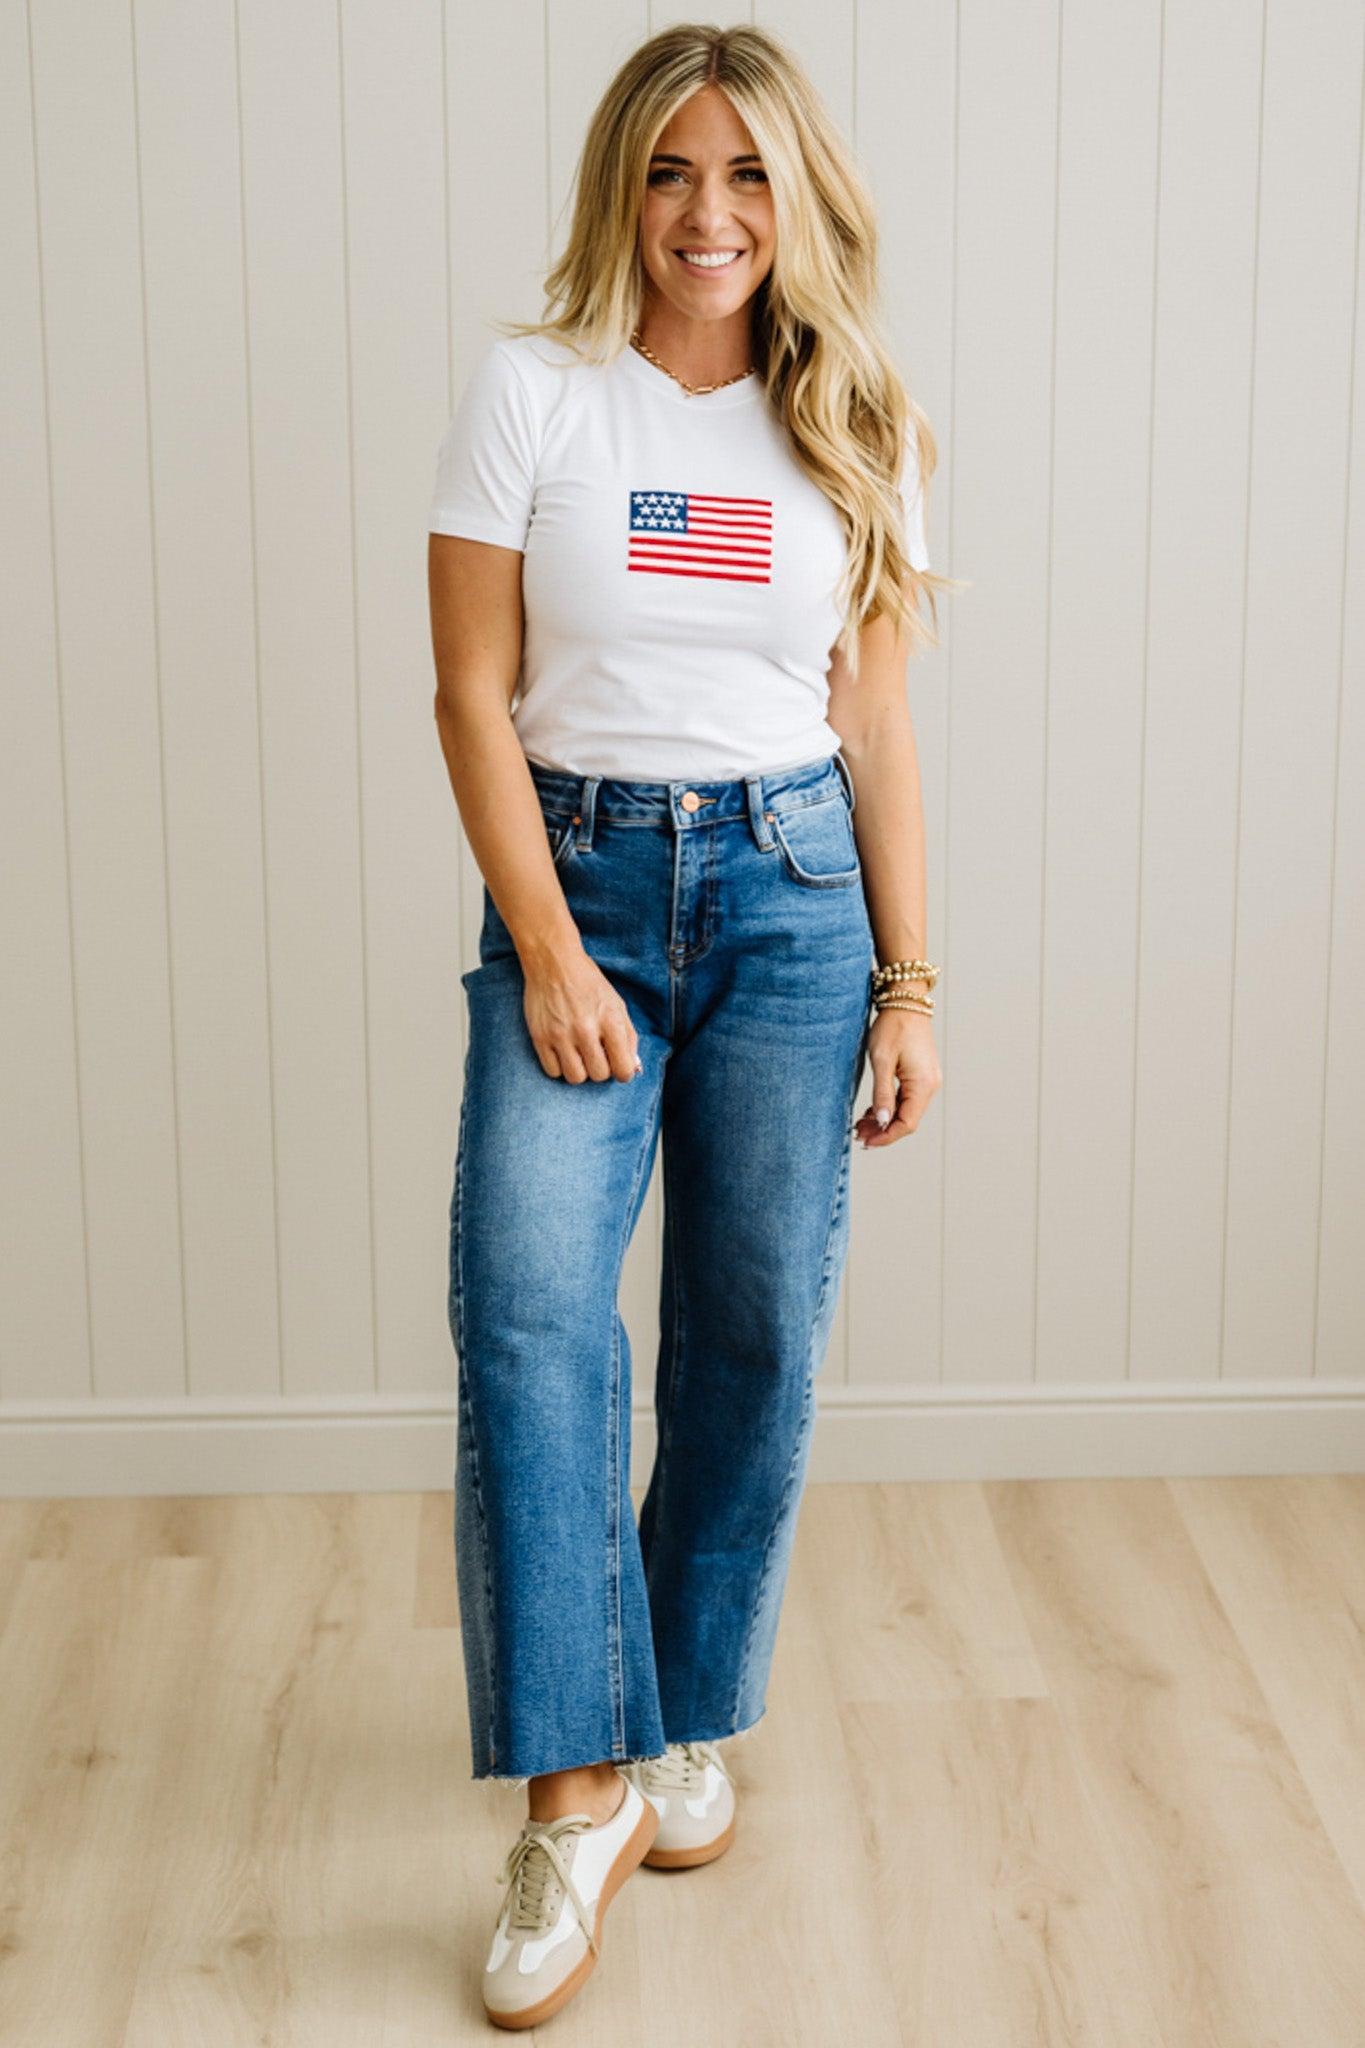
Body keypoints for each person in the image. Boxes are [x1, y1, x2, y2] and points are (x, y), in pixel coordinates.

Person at [427, 22, 948, 2031]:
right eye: (668, 171)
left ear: (793, 196)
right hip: (578, 888)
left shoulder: (860, 417)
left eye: (744, 174)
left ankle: (676, 1725)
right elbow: (473, 693)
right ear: (616, 192)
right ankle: (573, 1795)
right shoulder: (532, 395)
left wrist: (909, 977)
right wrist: (549, 950)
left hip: (792, 901)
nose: (706, 213)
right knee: (535, 1314)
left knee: (750, 1322)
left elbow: (875, 719)